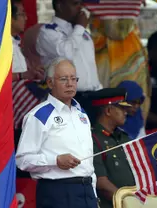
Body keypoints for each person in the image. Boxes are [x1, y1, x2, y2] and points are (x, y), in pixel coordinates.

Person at [15, 57, 97, 208]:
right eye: (64, 79)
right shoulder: (39, 115)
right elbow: (22, 160)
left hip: (86, 191)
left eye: (73, 78)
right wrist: (55, 161)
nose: (70, 83)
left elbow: (88, 162)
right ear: (50, 82)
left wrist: (93, 193)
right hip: (57, 192)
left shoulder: (81, 114)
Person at [36, 0, 102, 114]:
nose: (80, 8)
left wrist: (100, 91)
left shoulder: (83, 33)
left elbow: (91, 67)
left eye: (81, 4)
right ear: (60, 6)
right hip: (67, 98)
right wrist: (80, 27)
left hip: (93, 97)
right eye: (75, 4)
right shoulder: (48, 31)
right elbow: (66, 54)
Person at [89, 88, 135, 208]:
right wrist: (127, 203)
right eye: (122, 108)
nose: (126, 112)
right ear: (108, 111)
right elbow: (101, 183)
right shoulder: (92, 139)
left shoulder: (125, 138)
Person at [11, 0, 44, 81]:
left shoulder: (16, 44)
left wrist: (32, 71)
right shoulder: (0, 46)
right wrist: (22, 75)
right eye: (22, 14)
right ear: (10, 18)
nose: (26, 18)